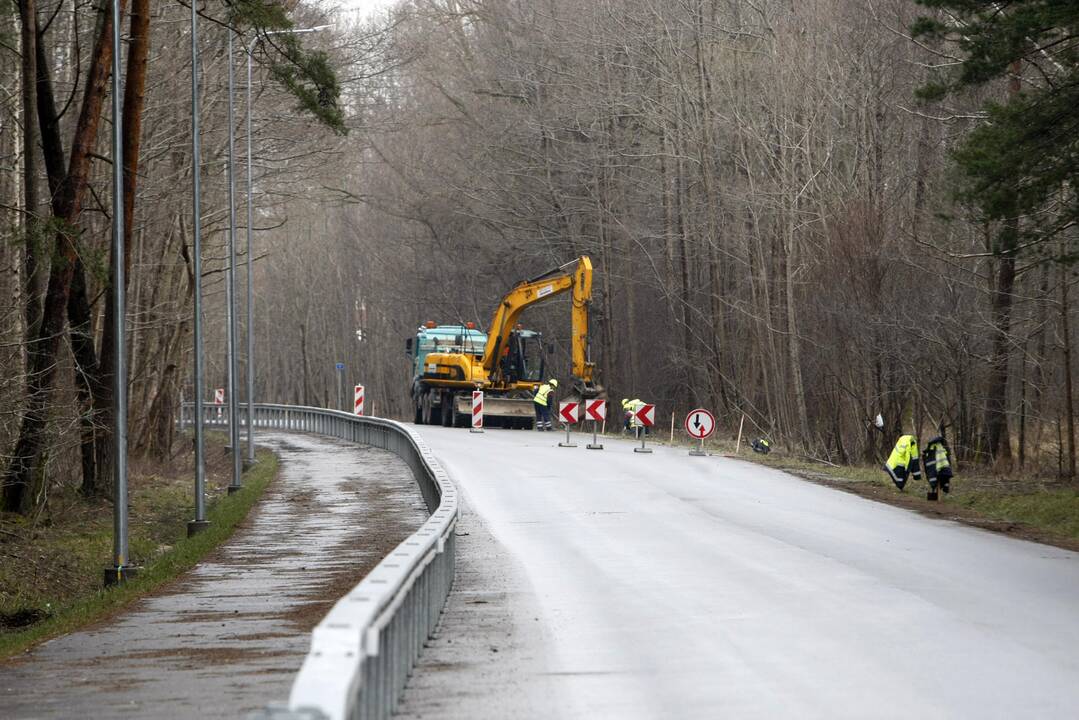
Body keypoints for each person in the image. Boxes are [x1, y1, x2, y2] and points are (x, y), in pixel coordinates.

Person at [922, 433, 954, 500]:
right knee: (939, 479)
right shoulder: (942, 448)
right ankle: (936, 493)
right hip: (943, 470)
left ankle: (935, 493)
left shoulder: (936, 449)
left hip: (939, 470)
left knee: (936, 479)